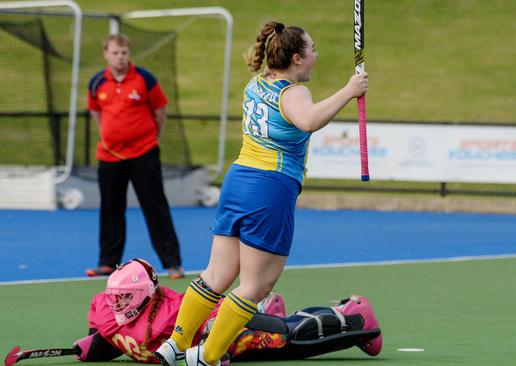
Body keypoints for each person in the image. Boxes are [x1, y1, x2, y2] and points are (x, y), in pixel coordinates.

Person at [155, 20, 370, 366]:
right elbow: (309, 121)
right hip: (269, 187)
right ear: (297, 58)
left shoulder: (256, 83)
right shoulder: (294, 92)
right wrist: (350, 89)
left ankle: (174, 345)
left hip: (238, 180)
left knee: (215, 275)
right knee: (256, 285)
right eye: (312, 49)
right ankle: (207, 357)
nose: (316, 55)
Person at [63, 259, 382, 365]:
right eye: (114, 297)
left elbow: (220, 310)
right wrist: (89, 348)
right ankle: (266, 307)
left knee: (287, 339)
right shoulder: (104, 309)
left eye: (124, 298)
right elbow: (105, 340)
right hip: (206, 352)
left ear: (144, 295)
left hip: (223, 332)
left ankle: (353, 315)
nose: (115, 304)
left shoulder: (173, 309)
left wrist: (217, 332)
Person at [85, 34, 184, 279]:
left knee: (155, 207)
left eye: (124, 53)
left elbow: (160, 113)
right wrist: (111, 134)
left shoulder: (144, 79)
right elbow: (96, 113)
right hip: (109, 158)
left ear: (129, 54)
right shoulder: (97, 83)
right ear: (106, 54)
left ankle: (172, 263)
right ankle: (107, 262)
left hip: (144, 154)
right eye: (115, 53)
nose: (120, 57)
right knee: (111, 209)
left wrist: (148, 137)